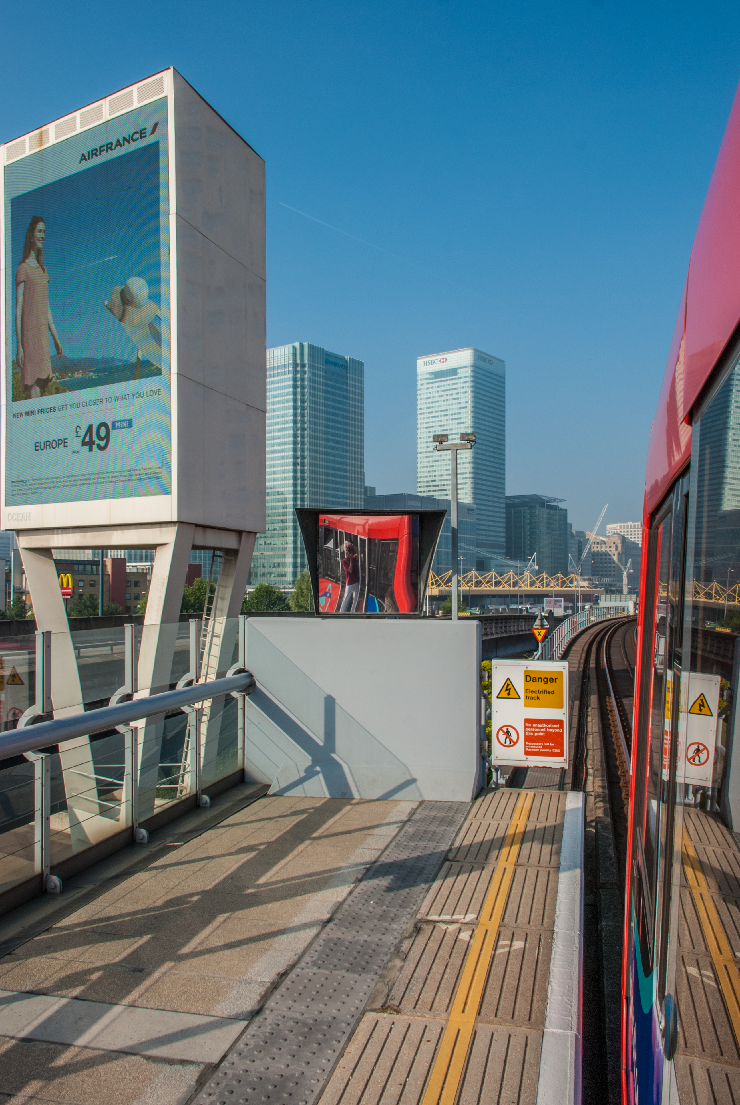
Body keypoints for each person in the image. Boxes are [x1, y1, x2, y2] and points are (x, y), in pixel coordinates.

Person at [15, 216, 63, 399]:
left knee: (42, 388)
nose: (43, 236)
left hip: (43, 335)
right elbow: (18, 309)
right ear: (31, 235)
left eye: (44, 232)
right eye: (39, 231)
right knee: (33, 389)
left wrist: (56, 338)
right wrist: (19, 346)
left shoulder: (44, 271)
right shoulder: (23, 269)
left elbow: (47, 307)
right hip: (30, 336)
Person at [339, 541, 360, 612]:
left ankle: (352, 612)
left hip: (356, 581)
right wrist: (350, 559)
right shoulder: (344, 561)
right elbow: (350, 570)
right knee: (346, 598)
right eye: (346, 550)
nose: (347, 552)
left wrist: (353, 547)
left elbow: (359, 555)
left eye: (348, 549)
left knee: (355, 598)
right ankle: (341, 612)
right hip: (350, 583)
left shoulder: (354, 557)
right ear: (345, 552)